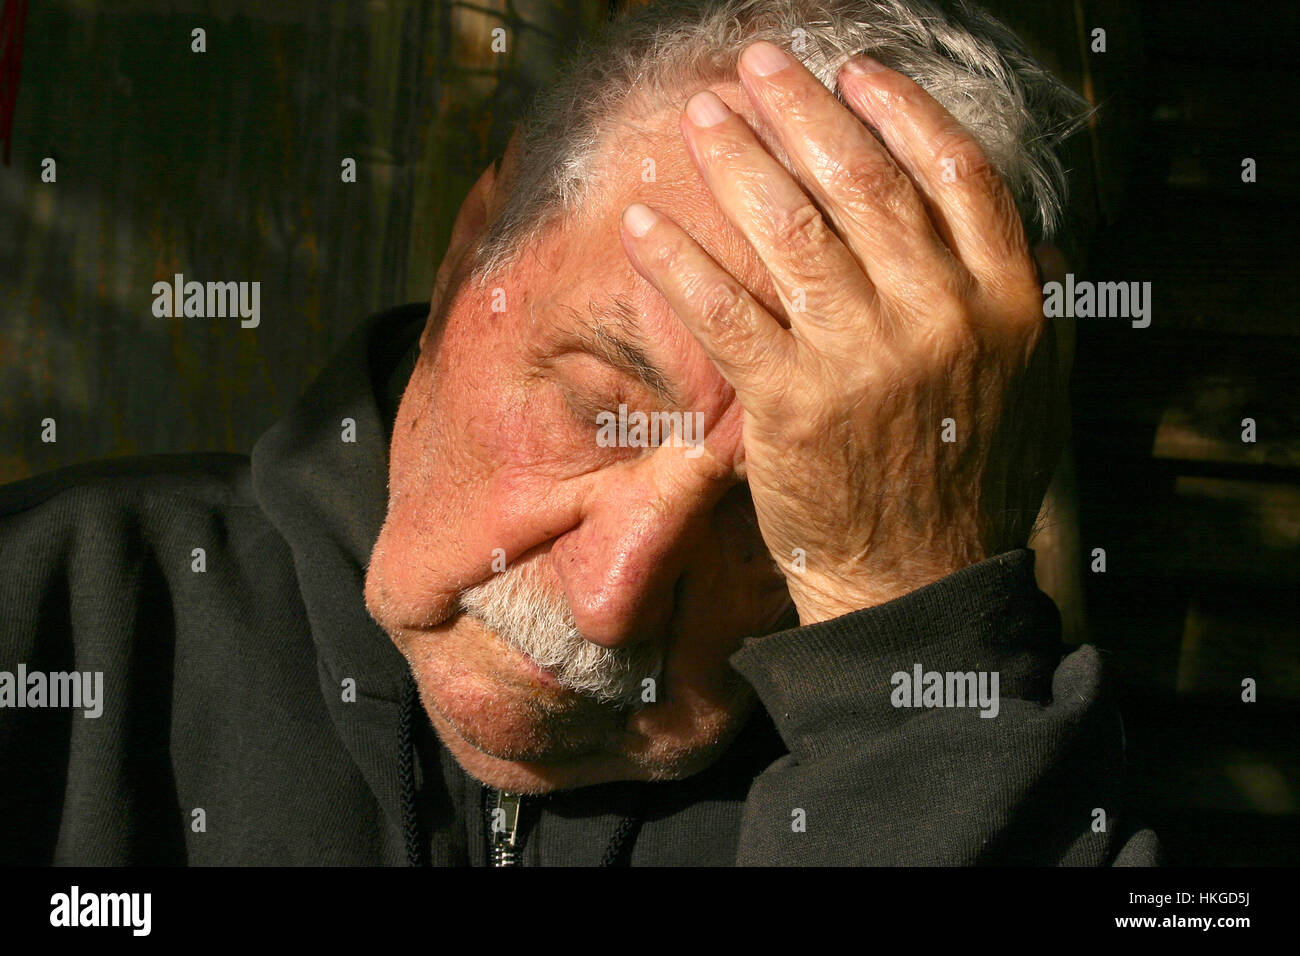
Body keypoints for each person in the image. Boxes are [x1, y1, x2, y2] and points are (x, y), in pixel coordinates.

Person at [0, 0, 1159, 865]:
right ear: (473, 251)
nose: (612, 599)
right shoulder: (51, 611)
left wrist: (916, 679)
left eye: (782, 509)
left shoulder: (989, 768)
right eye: (602, 407)